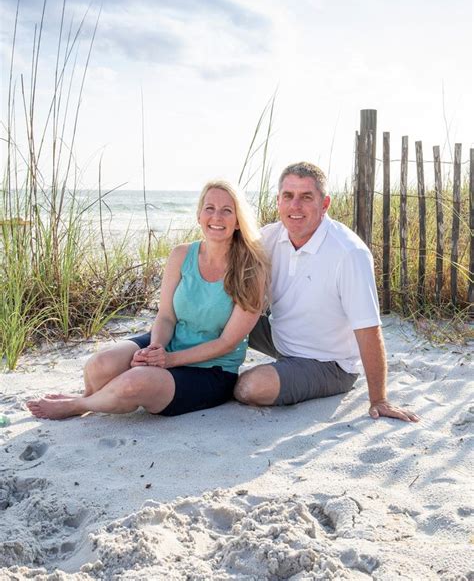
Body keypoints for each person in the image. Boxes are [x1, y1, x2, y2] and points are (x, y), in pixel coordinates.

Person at [27, 180, 269, 420]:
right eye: (210, 208)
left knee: (134, 382)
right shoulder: (181, 255)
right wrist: (156, 348)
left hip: (212, 369)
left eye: (227, 210)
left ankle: (78, 405)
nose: (217, 217)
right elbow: (166, 316)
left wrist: (167, 361)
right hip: (171, 343)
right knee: (99, 365)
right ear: (199, 215)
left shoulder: (251, 270)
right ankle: (92, 398)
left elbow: (227, 343)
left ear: (238, 221)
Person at [234, 162, 419, 422]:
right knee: (218, 312)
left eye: (306, 197)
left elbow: (368, 328)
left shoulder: (348, 253)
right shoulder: (269, 238)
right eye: (288, 196)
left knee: (249, 387)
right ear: (278, 201)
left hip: (328, 364)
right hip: (280, 340)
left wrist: (379, 399)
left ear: (325, 204)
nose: (295, 206)